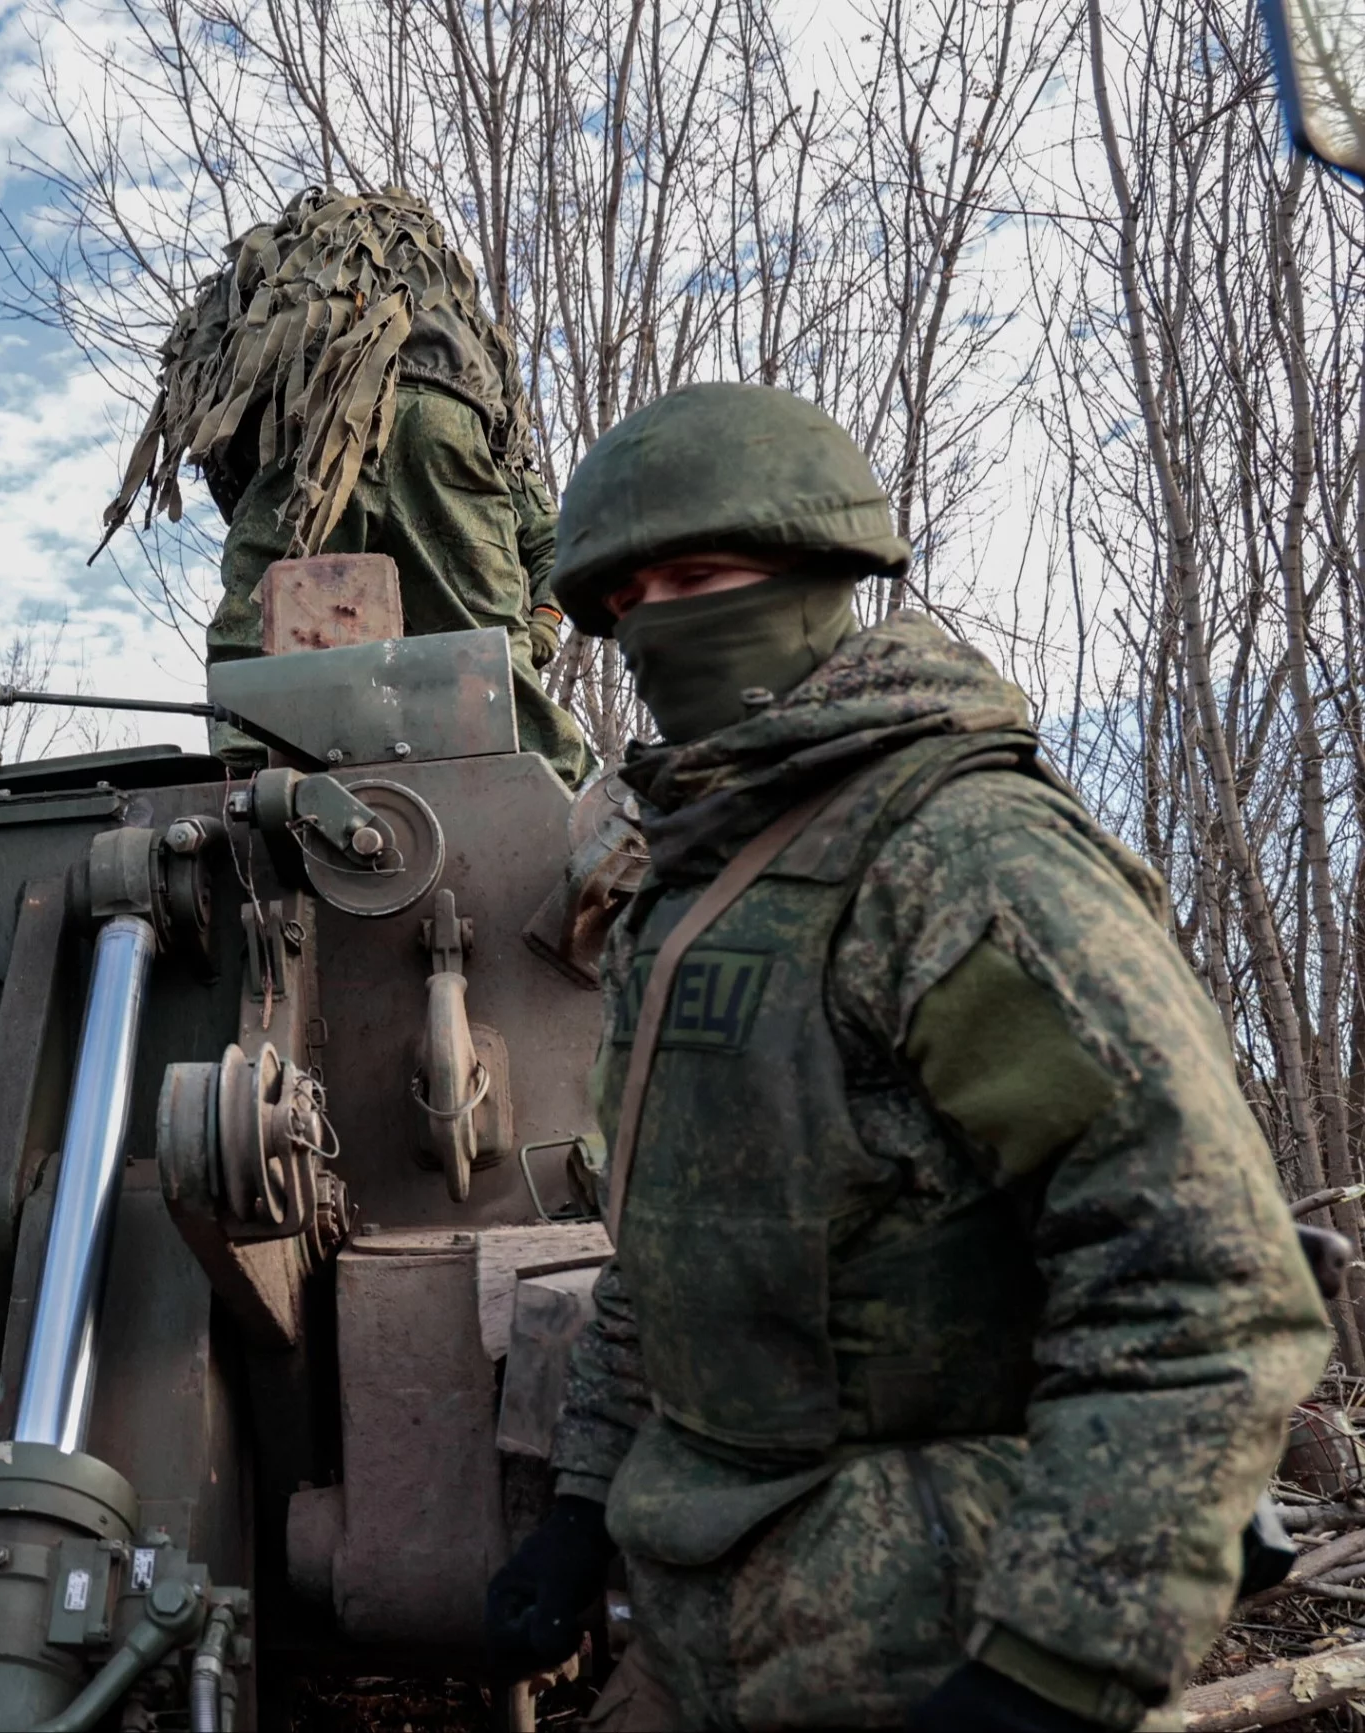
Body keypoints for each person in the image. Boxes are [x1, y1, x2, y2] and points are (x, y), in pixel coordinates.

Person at [483, 381, 1330, 1731]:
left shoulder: (959, 855)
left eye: (698, 575)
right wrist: (582, 1501)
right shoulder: (680, 894)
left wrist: (1052, 1667)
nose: (653, 623)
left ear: (821, 573)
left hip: (935, 1623)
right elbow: (669, 1253)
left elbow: (1206, 1289)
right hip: (710, 1611)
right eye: (622, 597)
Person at [99, 186, 588, 784]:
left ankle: (248, 786)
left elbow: (224, 452)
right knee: (487, 650)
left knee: (262, 624)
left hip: (309, 419)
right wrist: (539, 623)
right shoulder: (468, 336)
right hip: (445, 419)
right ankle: (561, 802)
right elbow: (551, 534)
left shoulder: (287, 302)